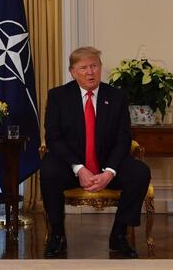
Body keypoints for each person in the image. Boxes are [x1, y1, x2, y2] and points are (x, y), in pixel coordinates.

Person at [40, 46, 151, 259]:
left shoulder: (116, 96)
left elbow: (123, 138)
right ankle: (57, 234)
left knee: (139, 172)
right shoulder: (58, 96)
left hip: (106, 164)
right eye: (84, 67)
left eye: (94, 66)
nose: (90, 72)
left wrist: (109, 171)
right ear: (72, 72)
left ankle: (119, 235)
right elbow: (53, 137)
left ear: (100, 68)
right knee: (48, 169)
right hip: (71, 167)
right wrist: (79, 168)